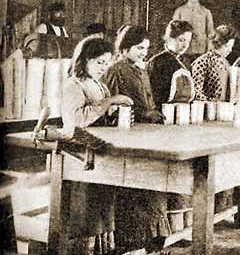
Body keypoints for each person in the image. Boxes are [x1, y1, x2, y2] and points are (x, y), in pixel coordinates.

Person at [61, 37, 133, 254]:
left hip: (97, 149)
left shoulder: (99, 85)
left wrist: (116, 113)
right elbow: (76, 121)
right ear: (84, 60)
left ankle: (101, 249)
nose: (104, 67)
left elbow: (101, 113)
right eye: (100, 62)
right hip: (80, 153)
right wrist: (109, 102)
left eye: (107, 63)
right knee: (84, 208)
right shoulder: (73, 85)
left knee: (102, 204)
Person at [102, 25, 170, 253]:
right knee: (136, 192)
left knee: (153, 188)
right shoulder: (115, 70)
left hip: (148, 137)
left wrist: (154, 113)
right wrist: (145, 114)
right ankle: (135, 242)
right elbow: (110, 109)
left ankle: (153, 239)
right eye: (139, 48)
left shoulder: (140, 69)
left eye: (146, 48)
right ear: (125, 48)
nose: (144, 52)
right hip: (129, 140)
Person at [147, 20, 194, 108]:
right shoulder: (157, 61)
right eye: (181, 40)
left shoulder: (185, 62)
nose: (185, 45)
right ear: (169, 39)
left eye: (188, 41)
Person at [192, 24, 236, 101]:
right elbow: (196, 93)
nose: (230, 50)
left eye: (231, 47)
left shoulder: (226, 63)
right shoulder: (202, 62)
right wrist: (211, 103)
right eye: (227, 46)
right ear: (218, 43)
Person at [172, 0, 215, 64]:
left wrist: (209, 51)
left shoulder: (206, 12)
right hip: (184, 50)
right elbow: (174, 31)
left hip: (201, 50)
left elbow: (211, 33)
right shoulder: (179, 11)